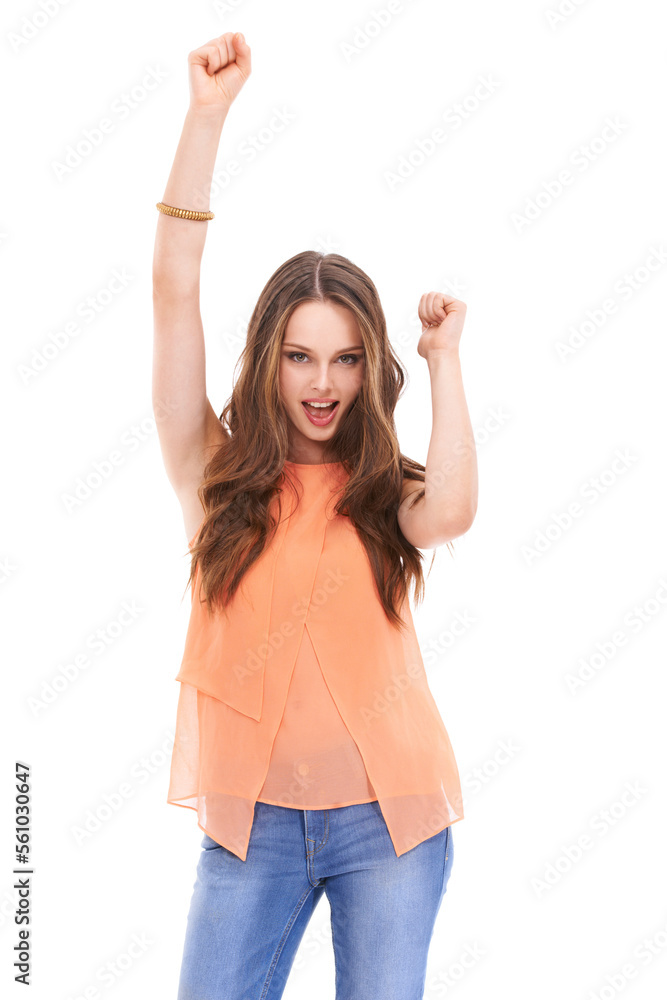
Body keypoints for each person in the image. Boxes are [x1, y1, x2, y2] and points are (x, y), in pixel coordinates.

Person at [152, 31, 478, 1000]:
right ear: (268, 360)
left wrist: (443, 361)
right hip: (251, 831)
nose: (323, 382)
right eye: (300, 356)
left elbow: (454, 507)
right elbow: (173, 293)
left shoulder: (383, 490)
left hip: (390, 824)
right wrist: (207, 116)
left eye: (342, 357)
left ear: (365, 363)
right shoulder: (215, 476)